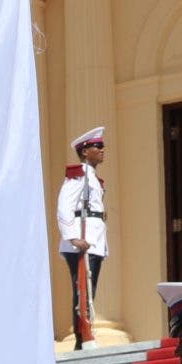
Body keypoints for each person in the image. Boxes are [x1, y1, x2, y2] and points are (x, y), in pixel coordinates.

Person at [56, 125, 107, 348]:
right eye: (98, 146)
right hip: (81, 242)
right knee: (82, 290)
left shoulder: (94, 178)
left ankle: (84, 336)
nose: (102, 150)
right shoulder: (79, 176)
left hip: (94, 241)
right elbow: (64, 206)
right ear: (85, 151)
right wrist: (73, 237)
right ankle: (82, 338)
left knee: (88, 289)